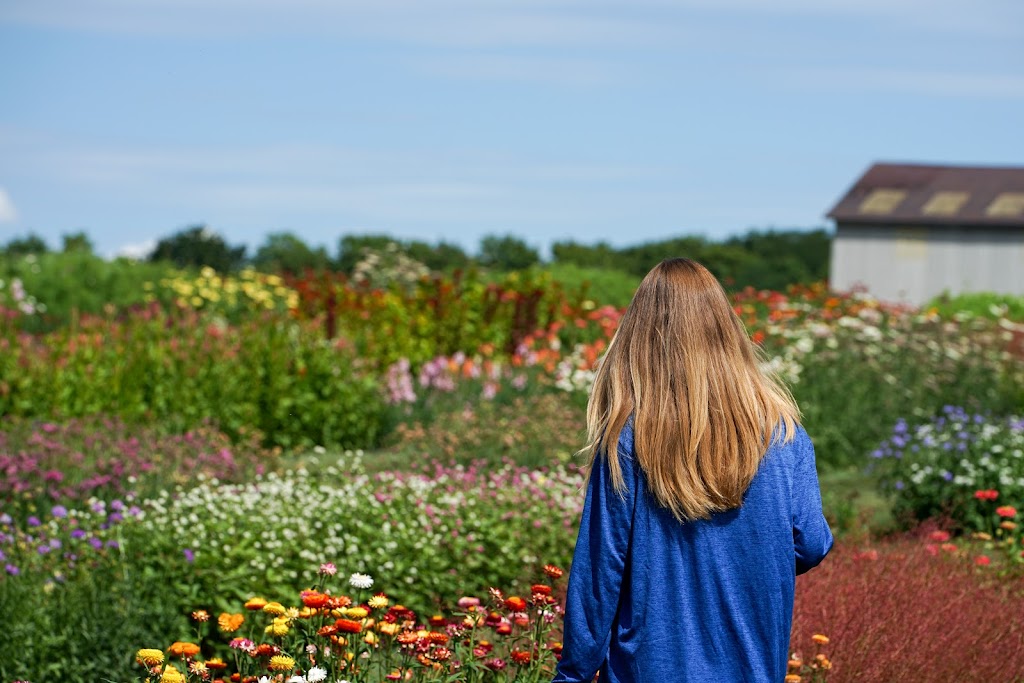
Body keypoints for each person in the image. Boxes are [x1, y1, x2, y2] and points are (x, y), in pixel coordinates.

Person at [552, 258, 833, 683]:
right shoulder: (783, 435)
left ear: (640, 338)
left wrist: (572, 675)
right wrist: (748, 560)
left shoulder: (628, 440)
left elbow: (600, 573)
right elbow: (811, 544)